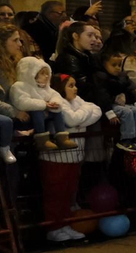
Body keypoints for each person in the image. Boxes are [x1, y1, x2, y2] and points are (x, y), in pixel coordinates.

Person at [40, 73, 102, 242]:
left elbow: (97, 109)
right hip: (55, 158)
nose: (75, 89)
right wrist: (82, 117)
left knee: (69, 193)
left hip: (74, 157)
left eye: (75, 85)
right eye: (71, 85)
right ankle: (54, 227)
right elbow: (70, 119)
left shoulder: (76, 101)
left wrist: (79, 119)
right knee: (55, 194)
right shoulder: (57, 101)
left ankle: (65, 224)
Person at [10, 56, 76, 151]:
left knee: (58, 112)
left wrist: (54, 103)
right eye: (42, 73)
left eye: (47, 74)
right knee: (37, 111)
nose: (46, 76)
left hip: (43, 116)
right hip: (26, 118)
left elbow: (56, 95)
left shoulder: (45, 88)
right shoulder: (19, 86)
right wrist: (44, 104)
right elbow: (21, 102)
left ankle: (62, 137)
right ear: (32, 73)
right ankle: (42, 140)